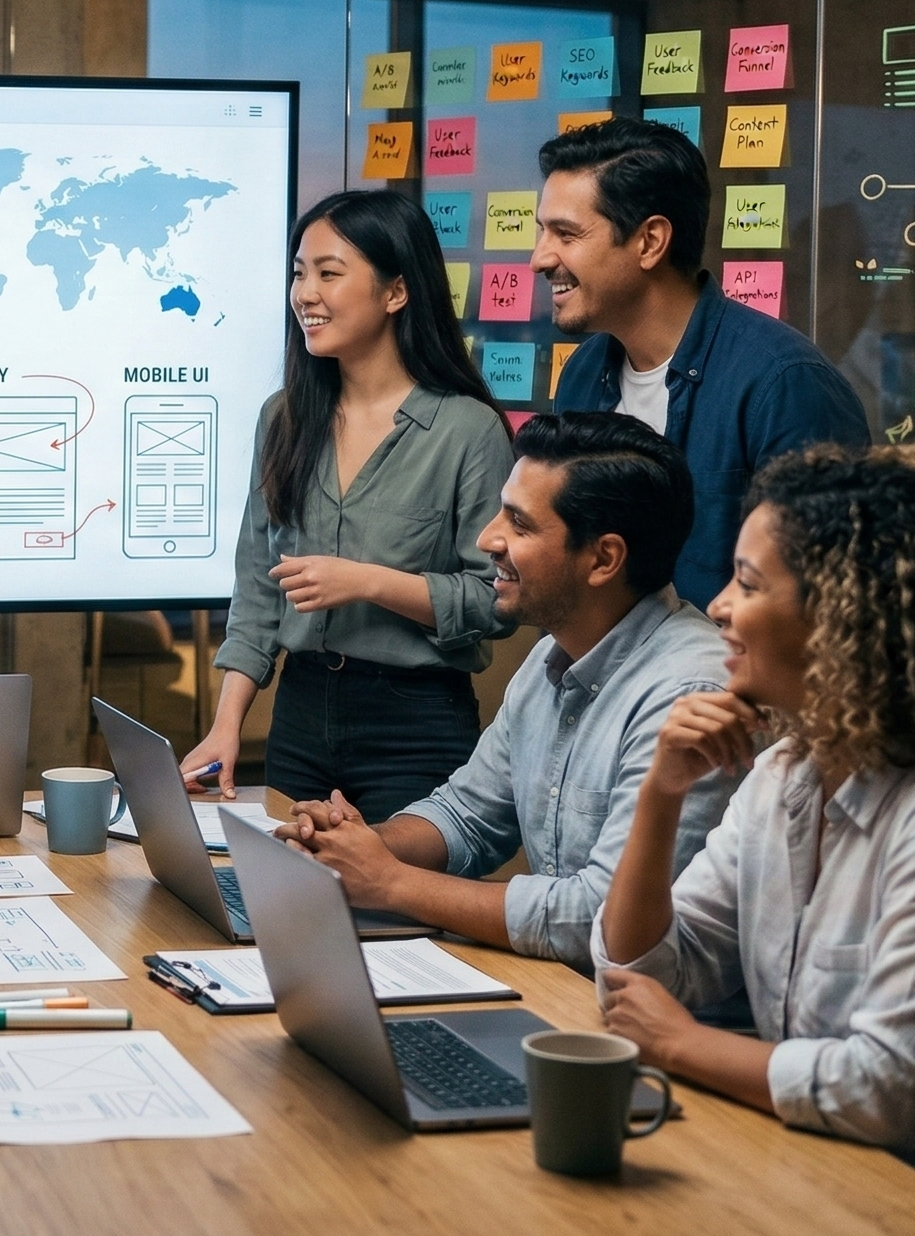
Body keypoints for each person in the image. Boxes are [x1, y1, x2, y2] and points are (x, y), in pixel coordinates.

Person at [596, 445, 915, 1207]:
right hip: (833, 1168)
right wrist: (659, 794)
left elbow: (888, 1092)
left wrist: (678, 1043)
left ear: (842, 615)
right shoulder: (786, 771)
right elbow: (640, 977)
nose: (717, 607)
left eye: (746, 583)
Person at [276, 411, 732, 971]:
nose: (487, 539)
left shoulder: (690, 691)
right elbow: (468, 814)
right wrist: (358, 847)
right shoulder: (553, 653)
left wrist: (392, 884)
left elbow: (598, 915)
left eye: (519, 524)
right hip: (563, 989)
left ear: (604, 558)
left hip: (656, 1025)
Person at [180, 190, 515, 822]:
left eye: (329, 274)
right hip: (301, 716)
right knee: (295, 908)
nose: (305, 293)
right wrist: (227, 726)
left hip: (415, 726)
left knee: (402, 911)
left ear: (396, 292)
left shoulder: (468, 430)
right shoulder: (283, 418)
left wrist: (367, 582)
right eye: (299, 273)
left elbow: (496, 602)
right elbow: (258, 590)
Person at [535, 116, 867, 606]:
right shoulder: (585, 373)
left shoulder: (784, 386)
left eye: (565, 234)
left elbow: (827, 601)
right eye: (542, 232)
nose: (539, 258)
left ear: (650, 241)